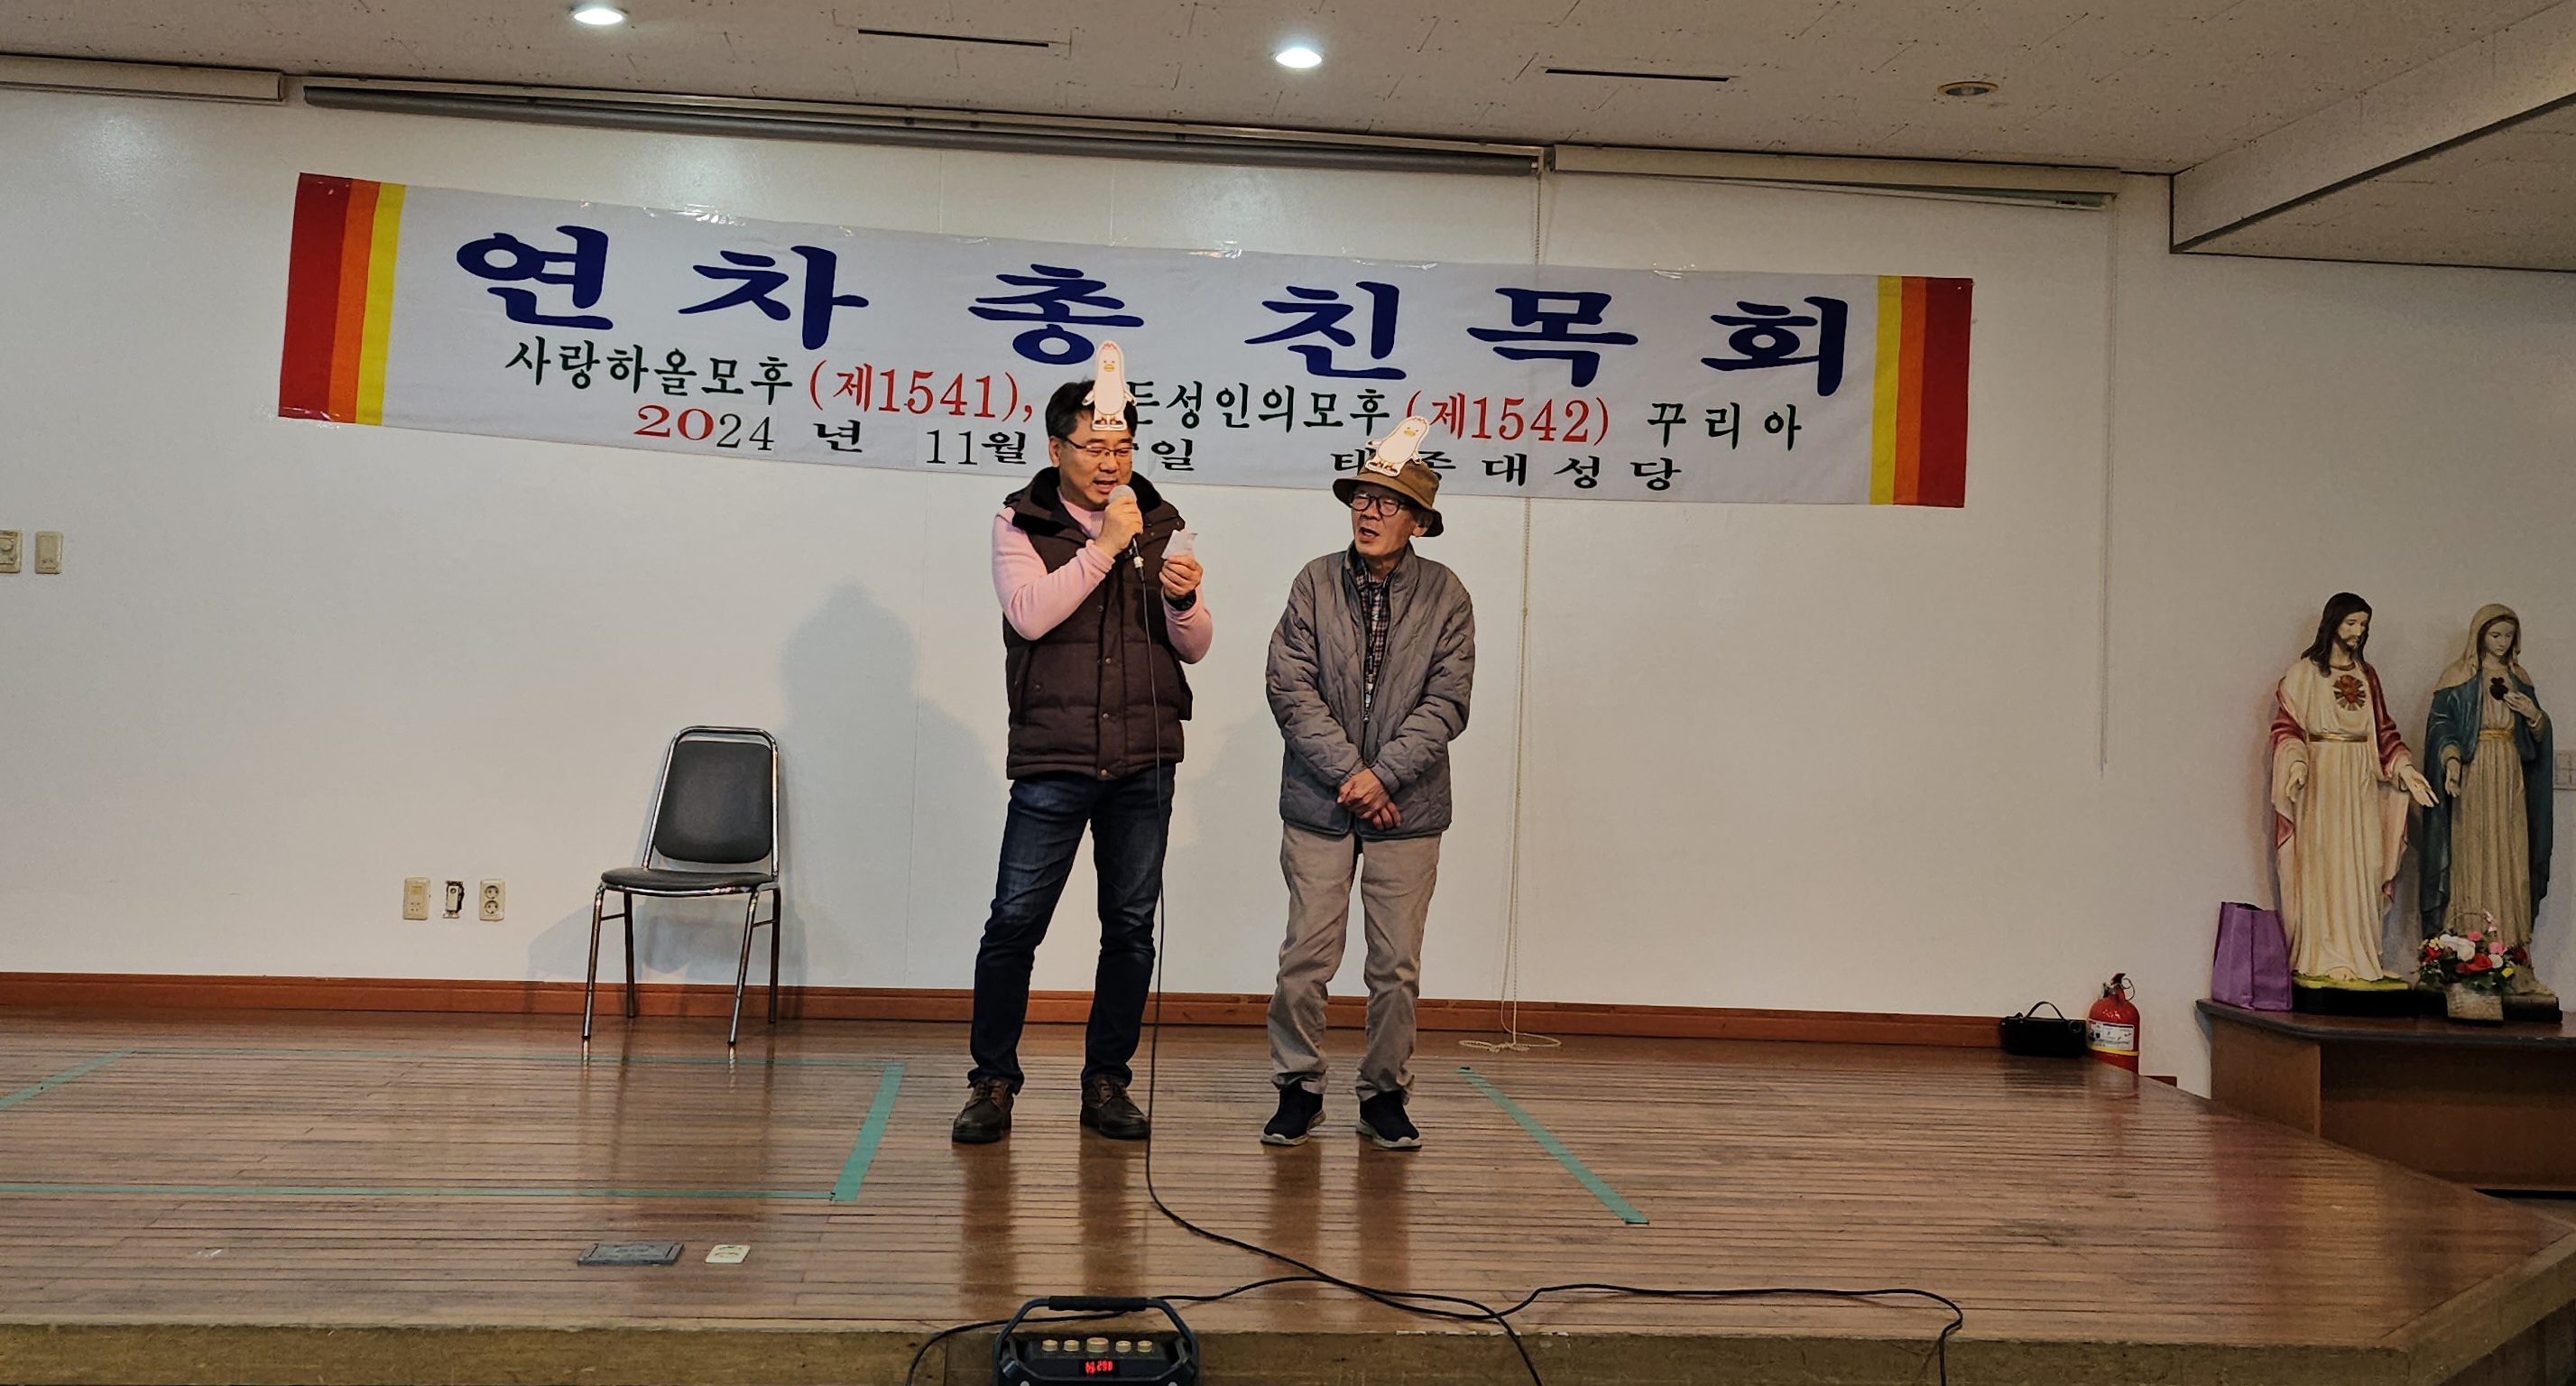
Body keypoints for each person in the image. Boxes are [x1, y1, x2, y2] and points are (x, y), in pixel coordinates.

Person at [952, 359, 1210, 1145]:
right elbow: (1030, 615)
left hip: (1143, 760)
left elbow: (1195, 646)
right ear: (1056, 448)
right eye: (1095, 448)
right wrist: (1104, 549)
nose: (1110, 463)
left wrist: (1183, 600)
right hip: (1053, 758)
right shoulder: (1020, 522)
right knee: (1013, 922)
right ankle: (993, 1082)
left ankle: (1106, 1083)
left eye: (1122, 449)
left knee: (1129, 928)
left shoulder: (1159, 520)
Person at [1260, 419, 1473, 1150]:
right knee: (1304, 959)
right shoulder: (1314, 581)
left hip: (1408, 807)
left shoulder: (1446, 594)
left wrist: (1382, 777)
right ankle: (1298, 1087)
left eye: (1387, 503)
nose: (1369, 512)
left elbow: (1447, 702)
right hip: (1319, 801)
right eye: (1361, 498)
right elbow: (1289, 688)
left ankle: (1384, 1093)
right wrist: (1351, 774)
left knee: (1395, 968)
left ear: (1419, 521)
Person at [2267, 593, 2435, 987]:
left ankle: (2363, 956)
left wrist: (2406, 770)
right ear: (2333, 623)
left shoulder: (2366, 675)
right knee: (2325, 864)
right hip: (2321, 779)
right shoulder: (2304, 674)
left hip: (2360, 778)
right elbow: (2287, 729)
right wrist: (2295, 763)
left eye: (2363, 625)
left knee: (2364, 863)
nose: (2358, 631)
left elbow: (2384, 731)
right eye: (2351, 623)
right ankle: (2322, 955)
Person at [2421, 605, 2555, 1000]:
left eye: (2508, 636)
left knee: (2511, 854)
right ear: (2479, 636)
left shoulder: (2520, 679)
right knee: (2473, 851)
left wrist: (2534, 716)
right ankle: (2466, 947)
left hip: (2509, 772)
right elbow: (2441, 724)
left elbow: (2537, 740)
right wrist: (2450, 760)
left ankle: (2510, 952)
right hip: (2475, 771)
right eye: (2495, 635)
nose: (2501, 643)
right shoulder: (2458, 677)